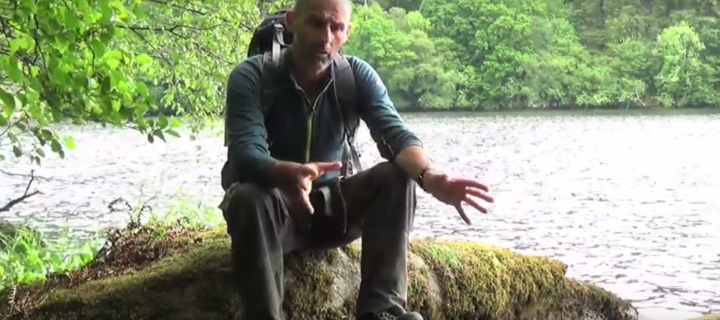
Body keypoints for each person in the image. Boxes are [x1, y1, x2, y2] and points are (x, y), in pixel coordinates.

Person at [218, 0, 494, 319]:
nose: (326, 37)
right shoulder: (252, 76)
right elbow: (244, 153)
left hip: (333, 211)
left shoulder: (355, 75)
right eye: (316, 24)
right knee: (248, 197)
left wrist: (431, 177)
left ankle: (383, 312)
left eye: (337, 27)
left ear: (348, 32)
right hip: (272, 215)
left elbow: (395, 134)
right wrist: (286, 173)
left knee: (396, 177)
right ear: (292, 22)